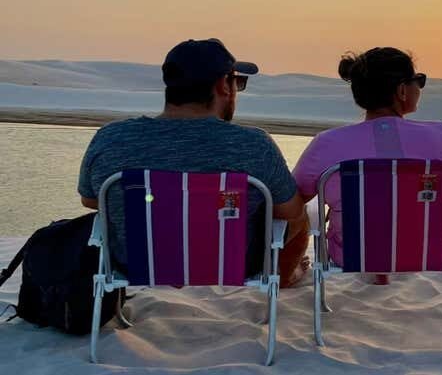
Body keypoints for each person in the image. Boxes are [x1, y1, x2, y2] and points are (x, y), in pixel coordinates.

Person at [78, 38, 309, 287]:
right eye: (237, 82)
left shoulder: (111, 138)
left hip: (133, 269)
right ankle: (284, 279)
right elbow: (291, 212)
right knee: (302, 216)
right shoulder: (254, 145)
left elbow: (91, 199)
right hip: (233, 271)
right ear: (223, 85)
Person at [292, 47, 442, 283]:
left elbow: (296, 195)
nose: (420, 87)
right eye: (419, 80)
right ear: (402, 90)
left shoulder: (328, 143)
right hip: (433, 253)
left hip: (352, 254)